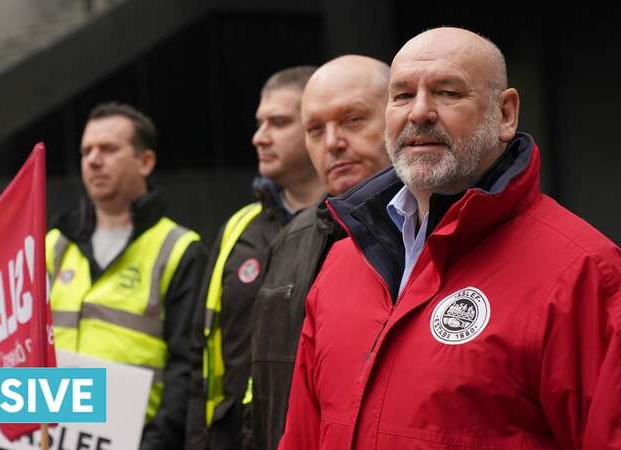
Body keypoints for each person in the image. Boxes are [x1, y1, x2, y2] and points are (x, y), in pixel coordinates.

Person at [280, 27, 621, 450]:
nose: (419, 113)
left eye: (447, 93)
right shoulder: (342, 263)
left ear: (506, 114)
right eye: (402, 96)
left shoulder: (586, 272)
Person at [250, 55, 392, 450]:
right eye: (315, 129)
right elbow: (260, 394)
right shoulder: (290, 240)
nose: (333, 143)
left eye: (353, 120)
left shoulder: (439, 237)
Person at [46, 102, 206, 450]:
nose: (93, 160)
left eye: (108, 149)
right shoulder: (55, 244)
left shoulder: (178, 248)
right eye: (86, 150)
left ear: (145, 162)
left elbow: (188, 368)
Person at [185, 66, 325, 450]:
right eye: (259, 123)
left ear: (316, 125)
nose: (259, 137)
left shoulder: (354, 226)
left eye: (277, 123)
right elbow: (201, 356)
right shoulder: (238, 229)